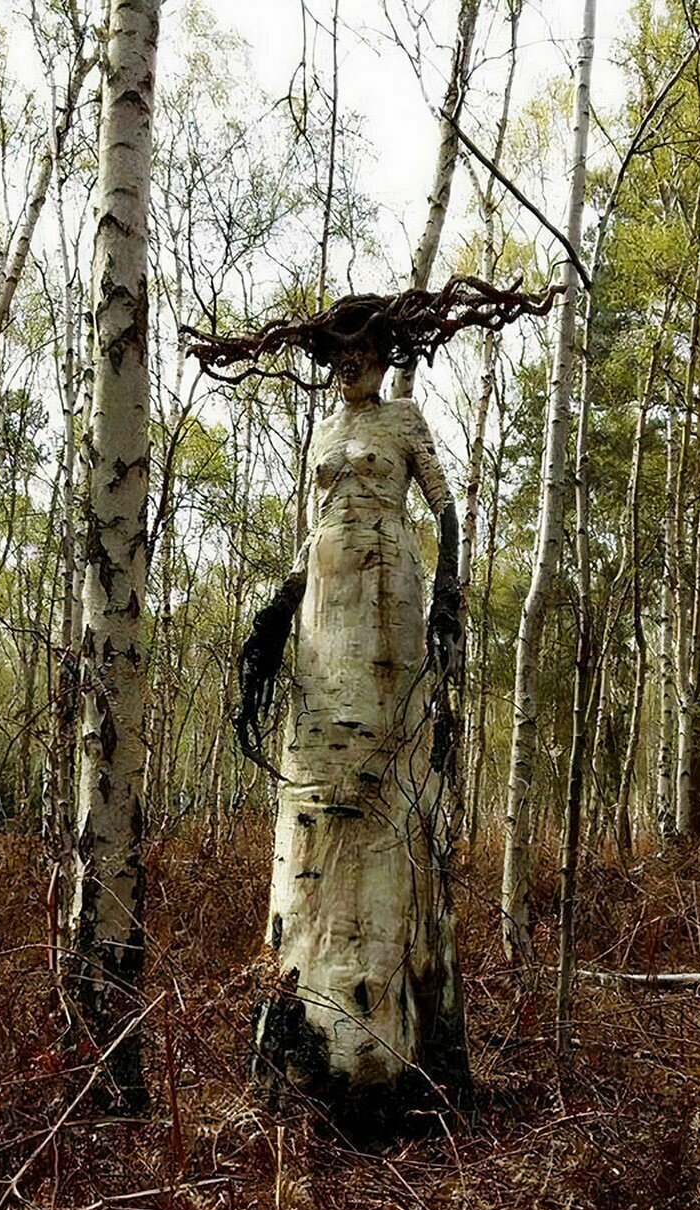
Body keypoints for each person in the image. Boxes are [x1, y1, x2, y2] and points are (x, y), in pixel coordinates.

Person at [184, 277, 555, 1108]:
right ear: (330, 361)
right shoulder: (322, 428)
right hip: (323, 600)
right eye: (340, 352)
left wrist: (451, 592)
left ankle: (390, 1044)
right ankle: (309, 1021)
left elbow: (447, 506)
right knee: (315, 773)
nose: (352, 364)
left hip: (390, 597)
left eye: (366, 351)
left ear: (388, 357)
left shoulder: (403, 421)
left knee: (387, 773)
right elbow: (306, 527)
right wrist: (282, 603)